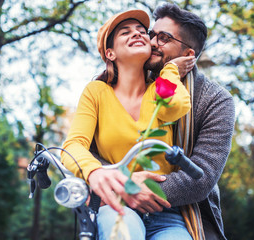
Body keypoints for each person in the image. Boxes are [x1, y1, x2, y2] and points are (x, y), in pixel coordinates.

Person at [61, 9, 194, 240]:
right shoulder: (96, 92)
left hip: (164, 212)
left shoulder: (157, 89)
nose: (138, 34)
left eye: (143, 31)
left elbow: (176, 107)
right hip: (117, 204)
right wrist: (94, 172)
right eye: (126, 32)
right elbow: (73, 145)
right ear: (110, 53)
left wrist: (170, 70)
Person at [131, 3, 235, 240]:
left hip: (185, 209)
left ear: (189, 55)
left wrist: (142, 190)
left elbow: (203, 176)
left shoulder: (217, 100)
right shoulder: (125, 81)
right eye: (152, 35)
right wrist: (122, 185)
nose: (153, 42)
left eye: (164, 38)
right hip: (118, 196)